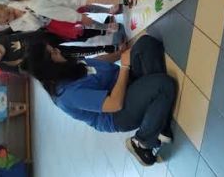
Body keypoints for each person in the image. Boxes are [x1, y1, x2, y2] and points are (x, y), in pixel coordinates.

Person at [23, 35, 176, 167]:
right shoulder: (67, 94)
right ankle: (143, 142)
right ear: (50, 68)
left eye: (53, 48)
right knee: (163, 85)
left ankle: (158, 121)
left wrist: (119, 54)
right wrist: (124, 66)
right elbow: (115, 104)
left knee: (146, 44)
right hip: (117, 114)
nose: (57, 50)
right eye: (53, 53)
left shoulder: (64, 65)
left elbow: (92, 63)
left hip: (123, 83)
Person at [0, 28, 117, 74]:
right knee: (77, 51)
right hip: (51, 54)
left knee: (77, 34)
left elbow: (16, 27)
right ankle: (105, 48)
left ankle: (103, 31)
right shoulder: (4, 65)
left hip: (47, 36)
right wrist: (23, 62)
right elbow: (24, 70)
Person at [0, 1, 124, 47]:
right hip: (53, 22)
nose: (11, 16)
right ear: (4, 24)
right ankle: (106, 27)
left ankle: (109, 10)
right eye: (7, 20)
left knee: (84, 6)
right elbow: (36, 26)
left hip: (54, 7)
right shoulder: (16, 26)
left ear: (5, 5)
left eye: (9, 12)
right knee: (82, 21)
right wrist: (26, 14)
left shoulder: (15, 2)